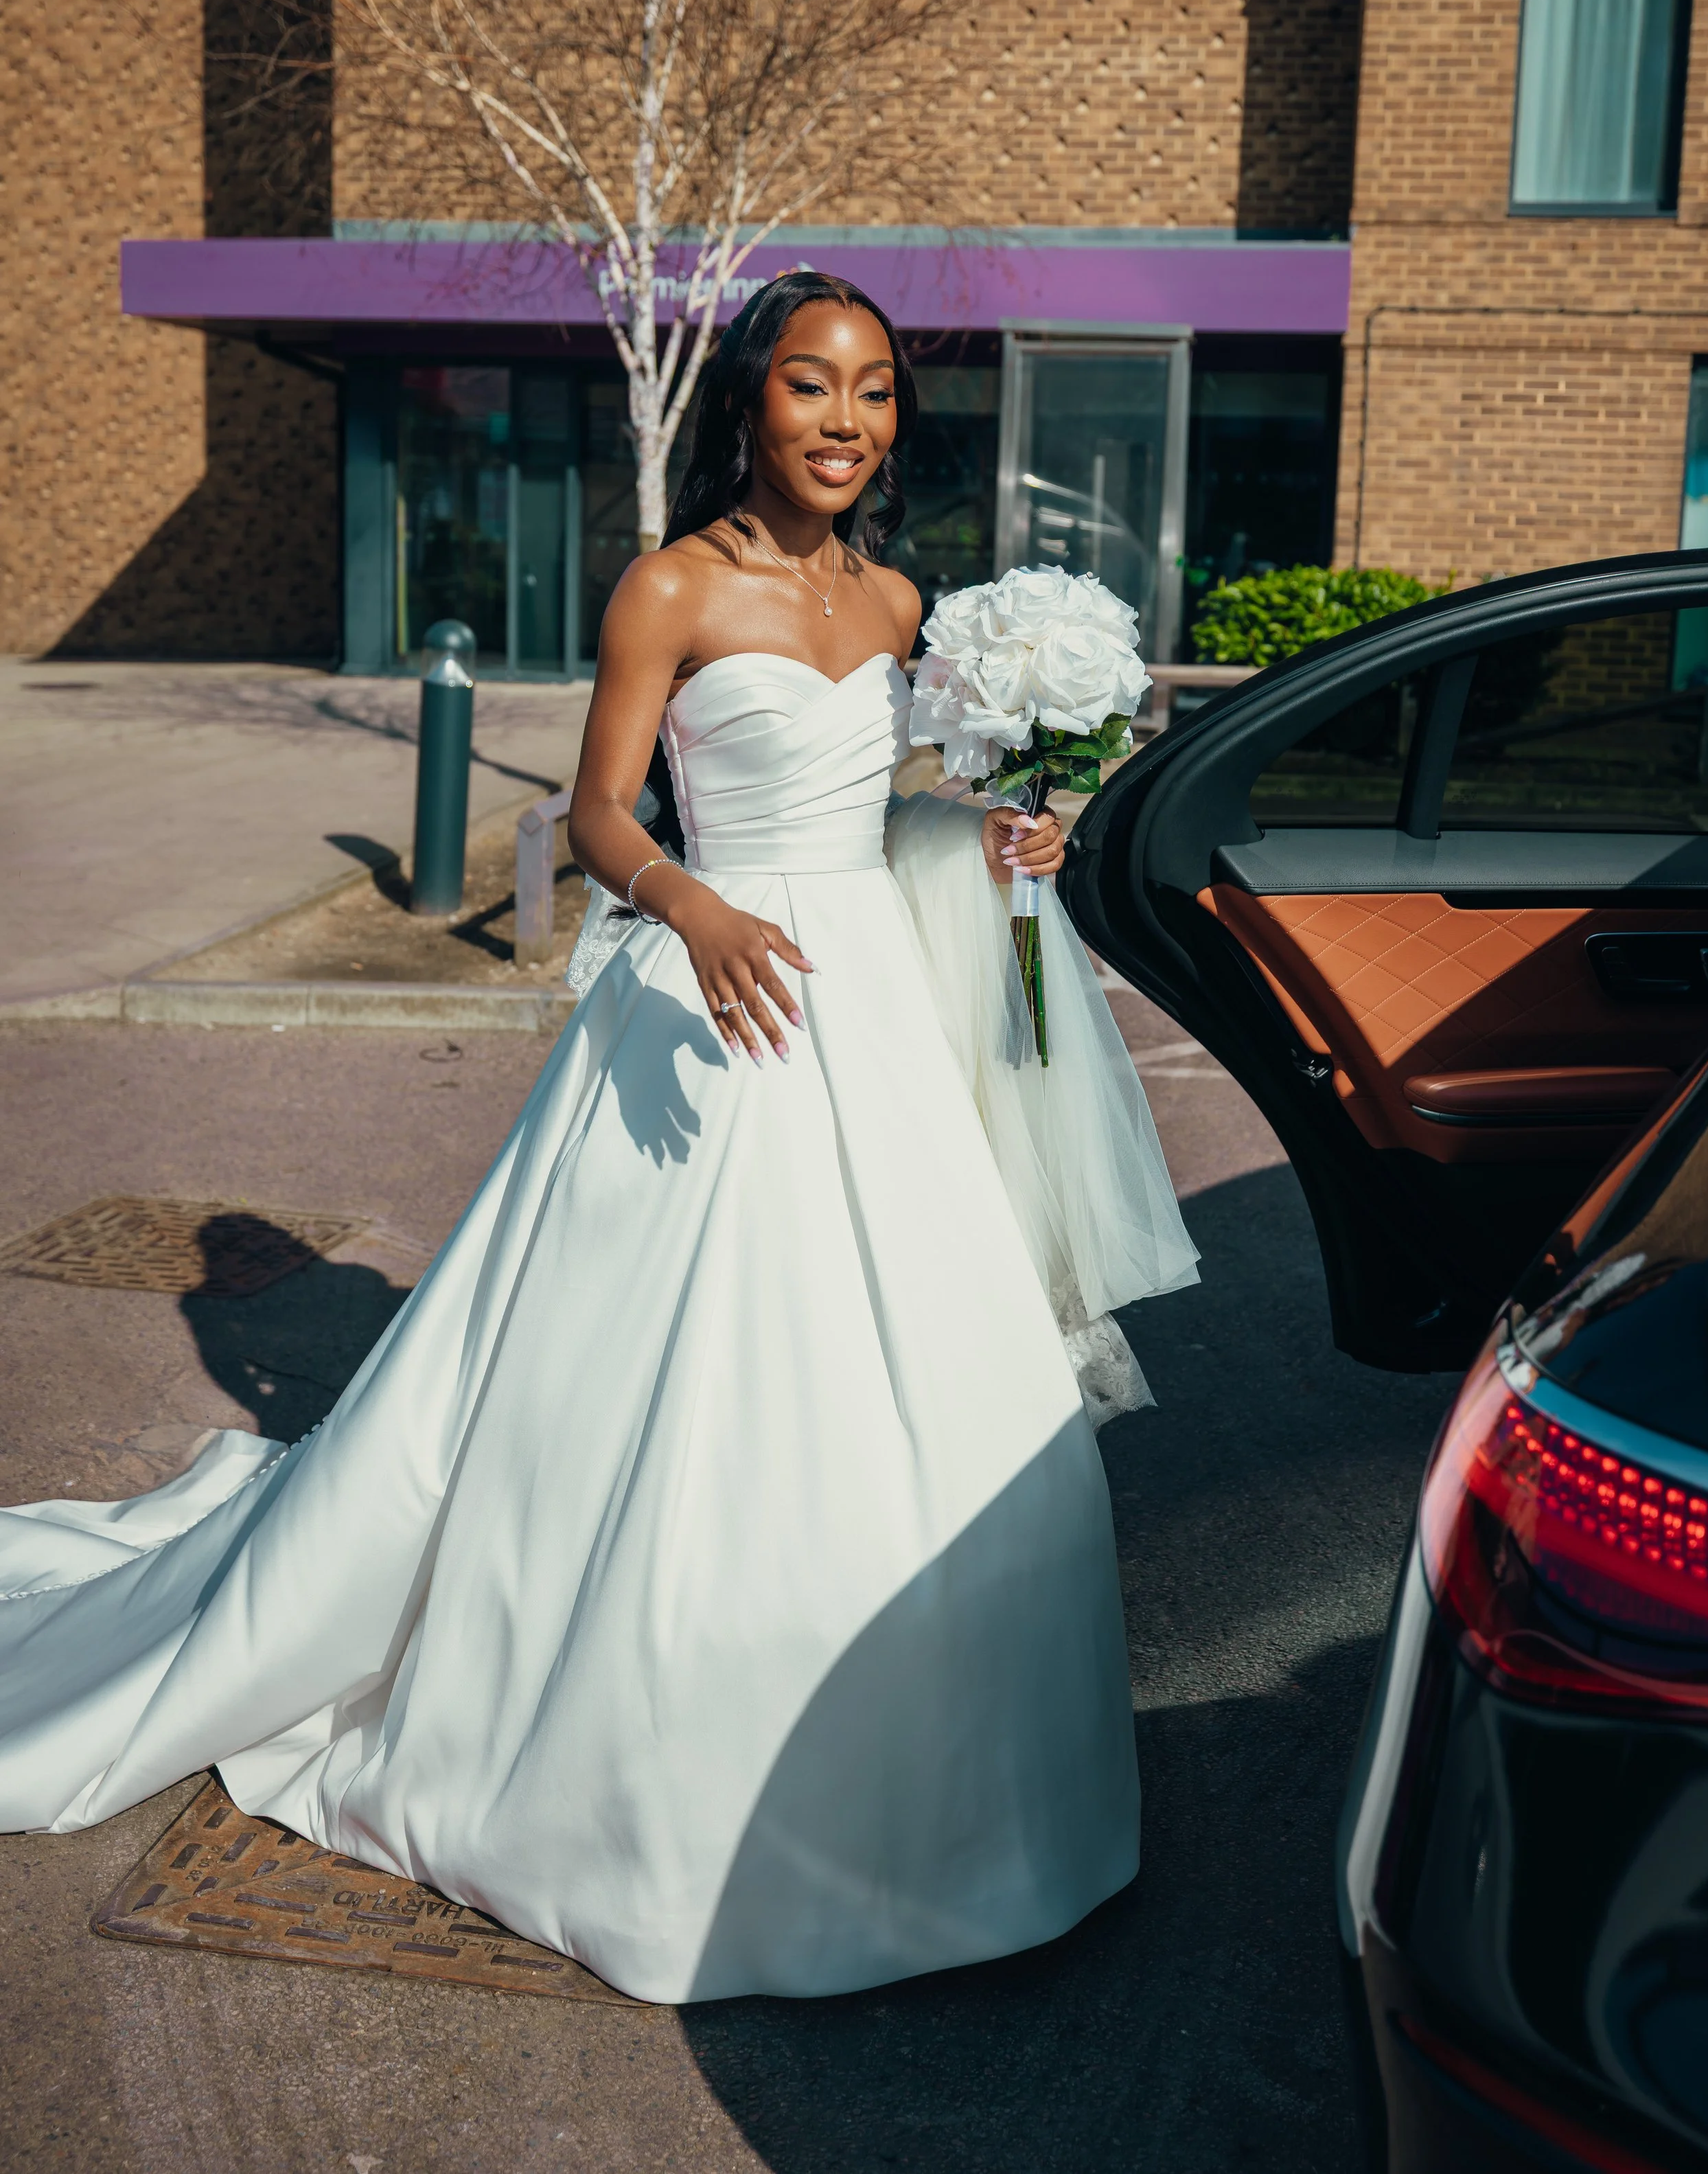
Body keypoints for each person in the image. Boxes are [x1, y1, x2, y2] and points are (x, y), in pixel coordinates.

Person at [0, 271, 1197, 2003]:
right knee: (681, 1387)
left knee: (942, 1381)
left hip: (866, 1004)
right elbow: (593, 809)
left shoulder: (903, 597)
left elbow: (910, 807)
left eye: (870, 391)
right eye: (810, 385)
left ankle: (959, 1803)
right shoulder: (672, 580)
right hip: (720, 1005)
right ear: (752, 401)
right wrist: (686, 909)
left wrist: (1009, 834)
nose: (844, 419)